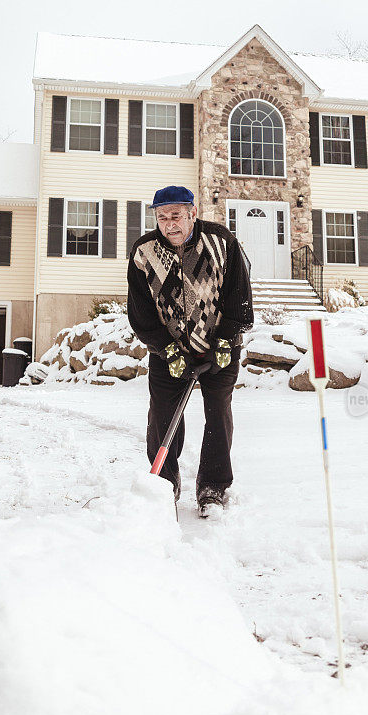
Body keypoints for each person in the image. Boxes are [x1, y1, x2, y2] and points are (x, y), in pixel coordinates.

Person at [127, 185, 253, 517]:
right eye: (162, 217)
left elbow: (239, 298)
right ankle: (164, 484)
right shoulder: (144, 252)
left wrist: (225, 341)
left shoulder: (221, 242)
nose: (170, 224)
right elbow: (140, 313)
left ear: (192, 213)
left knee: (218, 415)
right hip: (168, 352)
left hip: (219, 349)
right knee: (162, 416)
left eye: (176, 216)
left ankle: (213, 487)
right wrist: (168, 350)